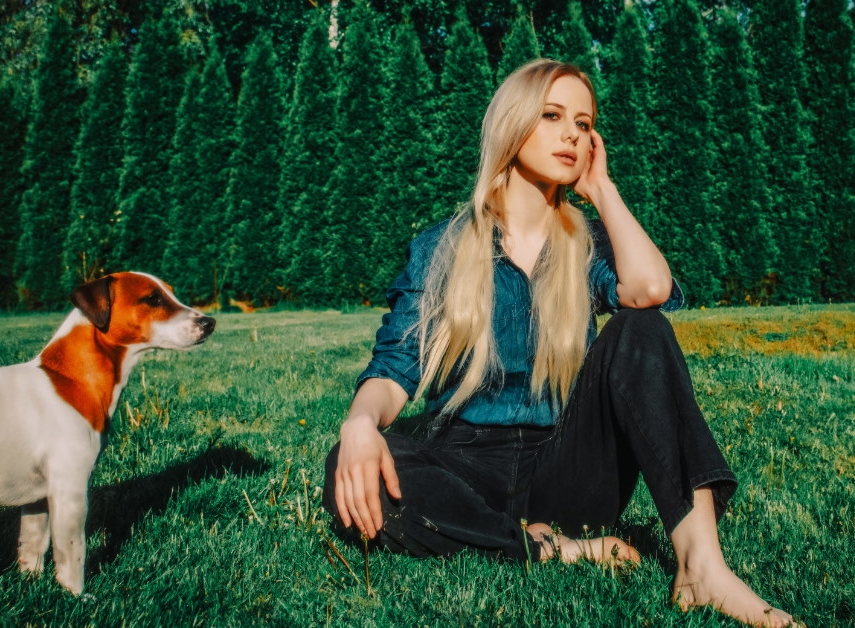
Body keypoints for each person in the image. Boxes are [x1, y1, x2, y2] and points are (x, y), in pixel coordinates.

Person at [324, 59, 795, 627]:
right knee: (353, 468)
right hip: (463, 464)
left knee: (642, 327)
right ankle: (554, 549)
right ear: (512, 123)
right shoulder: (441, 247)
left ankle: (702, 566)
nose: (573, 133)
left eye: (583, 122)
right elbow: (395, 367)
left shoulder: (586, 243)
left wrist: (603, 190)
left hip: (566, 470)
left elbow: (649, 289)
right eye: (552, 116)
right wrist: (358, 425)